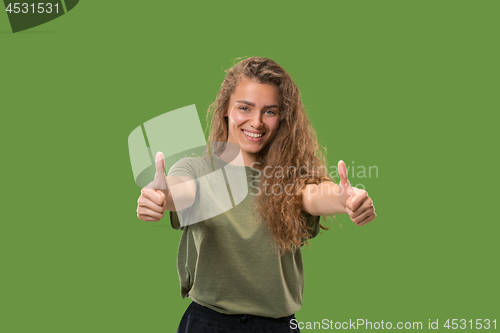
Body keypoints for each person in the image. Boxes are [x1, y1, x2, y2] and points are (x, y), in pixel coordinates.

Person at [136, 57, 377, 332]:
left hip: (275, 327)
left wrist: (344, 199)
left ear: (282, 118)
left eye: (270, 111)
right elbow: (182, 190)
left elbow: (312, 194)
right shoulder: (198, 169)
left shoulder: (291, 176)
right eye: (245, 108)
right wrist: (161, 196)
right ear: (226, 110)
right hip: (208, 323)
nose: (257, 122)